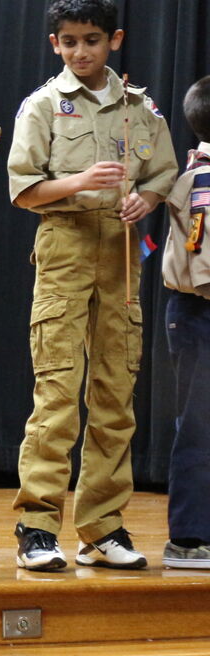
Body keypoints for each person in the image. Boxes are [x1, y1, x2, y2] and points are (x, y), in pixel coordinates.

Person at [7, 0, 176, 572]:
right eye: (70, 42)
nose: (81, 52)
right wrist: (78, 183)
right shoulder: (44, 106)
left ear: (115, 40)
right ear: (55, 44)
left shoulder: (139, 108)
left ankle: (103, 526)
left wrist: (145, 201)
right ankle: (36, 525)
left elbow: (162, 173)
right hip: (65, 250)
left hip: (121, 256)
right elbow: (24, 190)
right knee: (56, 395)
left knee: (114, 396)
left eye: (92, 41)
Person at [157, 75, 210, 569]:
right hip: (200, 312)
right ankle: (189, 539)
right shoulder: (203, 181)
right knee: (198, 426)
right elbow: (204, 263)